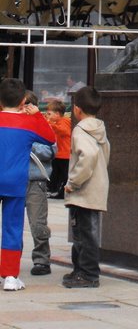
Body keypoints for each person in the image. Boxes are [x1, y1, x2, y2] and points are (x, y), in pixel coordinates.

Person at [0, 78, 57, 291]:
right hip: (15, 182)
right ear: (24, 101)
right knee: (12, 228)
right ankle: (9, 276)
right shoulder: (28, 122)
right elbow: (50, 138)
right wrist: (37, 115)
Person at [63, 86, 110, 288]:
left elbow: (88, 156)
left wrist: (73, 182)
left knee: (84, 233)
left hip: (83, 189)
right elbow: (104, 155)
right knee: (83, 231)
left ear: (77, 109)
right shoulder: (99, 128)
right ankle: (80, 270)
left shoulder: (81, 130)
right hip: (96, 186)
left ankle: (89, 273)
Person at [23, 92, 55, 277]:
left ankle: (42, 260)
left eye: (26, 105)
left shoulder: (41, 125)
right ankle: (10, 258)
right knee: (12, 224)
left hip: (36, 181)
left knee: (38, 224)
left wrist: (28, 142)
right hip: (14, 180)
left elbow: (50, 151)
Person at [44, 98, 71, 199]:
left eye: (49, 114)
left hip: (64, 155)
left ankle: (57, 190)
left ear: (57, 114)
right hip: (60, 154)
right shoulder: (62, 121)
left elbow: (64, 131)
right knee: (57, 174)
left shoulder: (63, 121)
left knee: (62, 175)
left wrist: (51, 124)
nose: (47, 115)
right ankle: (55, 190)